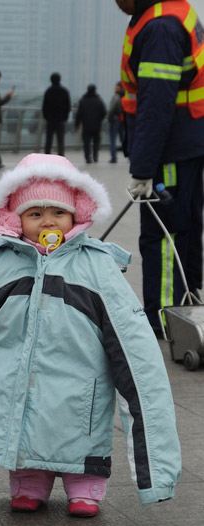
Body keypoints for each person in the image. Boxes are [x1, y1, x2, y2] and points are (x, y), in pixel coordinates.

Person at [0, 153, 181, 518]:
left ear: (75, 214)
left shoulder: (97, 268)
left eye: (58, 212)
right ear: (15, 218)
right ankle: (28, 477)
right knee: (25, 444)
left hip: (80, 404)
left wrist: (158, 474)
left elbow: (138, 360)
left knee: (79, 442)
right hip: (13, 407)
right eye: (35, 214)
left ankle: (82, 483)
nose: (47, 221)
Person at [115, 0, 204, 336]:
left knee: (163, 236)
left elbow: (156, 104)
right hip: (188, 141)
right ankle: (187, 301)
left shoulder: (159, 28)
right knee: (185, 227)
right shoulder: (172, 12)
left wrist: (143, 167)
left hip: (170, 148)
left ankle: (165, 319)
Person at [75, 84, 107, 163]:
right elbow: (104, 112)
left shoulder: (83, 100)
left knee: (86, 142)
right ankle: (95, 156)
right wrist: (99, 119)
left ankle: (87, 157)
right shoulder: (99, 101)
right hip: (96, 125)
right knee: (96, 141)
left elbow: (79, 114)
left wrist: (77, 124)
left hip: (86, 125)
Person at [42, 73, 71, 156]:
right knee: (60, 140)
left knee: (48, 140)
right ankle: (61, 156)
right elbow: (68, 106)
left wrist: (46, 117)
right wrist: (65, 117)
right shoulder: (64, 91)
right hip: (60, 119)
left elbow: (44, 107)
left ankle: (47, 156)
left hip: (50, 120)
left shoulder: (48, 91)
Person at [107, 81, 125, 163]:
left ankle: (114, 157)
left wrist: (109, 117)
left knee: (113, 140)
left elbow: (112, 109)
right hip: (122, 120)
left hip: (114, 120)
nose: (115, 88)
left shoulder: (116, 97)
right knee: (124, 139)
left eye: (116, 87)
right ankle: (130, 156)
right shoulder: (125, 96)